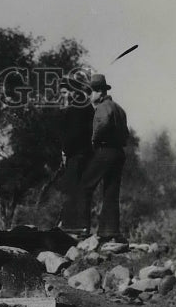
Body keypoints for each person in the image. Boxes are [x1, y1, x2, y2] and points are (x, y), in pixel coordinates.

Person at [77, 73, 129, 242]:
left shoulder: (102, 107)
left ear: (99, 92)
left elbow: (104, 121)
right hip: (118, 153)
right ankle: (109, 231)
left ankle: (82, 230)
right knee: (111, 192)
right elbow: (126, 134)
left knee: (84, 185)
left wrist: (94, 139)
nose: (89, 96)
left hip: (105, 151)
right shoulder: (119, 109)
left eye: (90, 92)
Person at [55, 79, 95, 237]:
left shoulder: (76, 108)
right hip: (84, 155)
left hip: (77, 155)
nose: (63, 96)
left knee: (73, 189)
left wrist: (65, 151)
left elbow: (73, 135)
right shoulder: (85, 107)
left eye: (65, 92)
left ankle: (73, 227)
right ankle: (80, 227)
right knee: (79, 190)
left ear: (73, 92)